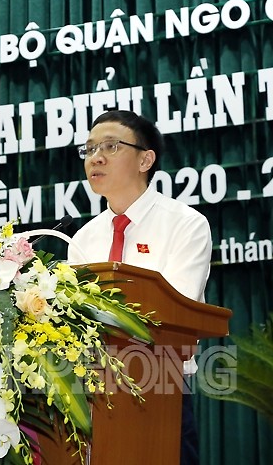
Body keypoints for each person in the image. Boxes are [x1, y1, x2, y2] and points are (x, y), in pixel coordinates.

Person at [67, 109, 211, 465]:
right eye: (89, 149)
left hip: (163, 386)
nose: (96, 157)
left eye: (111, 146)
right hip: (94, 394)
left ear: (146, 160)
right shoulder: (84, 238)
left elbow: (175, 311)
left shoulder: (185, 224)